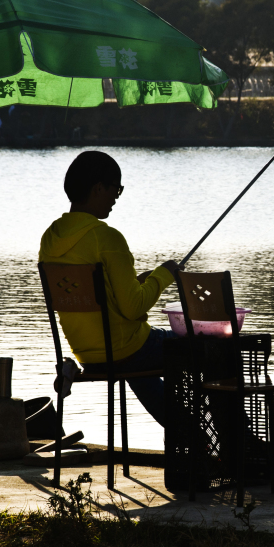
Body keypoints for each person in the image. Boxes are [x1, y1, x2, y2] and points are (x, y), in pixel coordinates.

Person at [39, 151, 179, 426]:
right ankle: (237, 439)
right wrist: (165, 275)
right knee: (207, 349)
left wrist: (137, 283)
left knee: (141, 367)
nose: (117, 197)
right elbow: (133, 307)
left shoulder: (50, 238)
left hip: (88, 355)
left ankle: (185, 431)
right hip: (126, 349)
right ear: (98, 188)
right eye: (117, 189)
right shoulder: (107, 237)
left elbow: (97, 297)